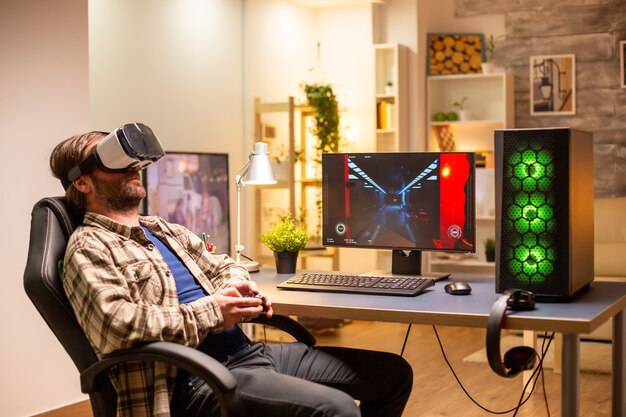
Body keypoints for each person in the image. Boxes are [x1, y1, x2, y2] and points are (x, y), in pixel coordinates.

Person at [50, 126, 413, 417]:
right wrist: (215, 311)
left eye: (134, 161)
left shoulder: (163, 229)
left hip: (249, 354)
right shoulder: (90, 246)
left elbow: (224, 264)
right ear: (82, 182)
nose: (133, 168)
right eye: (115, 162)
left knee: (392, 374)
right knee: (335, 409)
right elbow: (119, 325)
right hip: (192, 380)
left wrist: (238, 287)